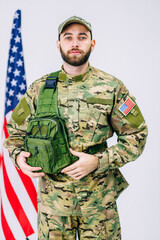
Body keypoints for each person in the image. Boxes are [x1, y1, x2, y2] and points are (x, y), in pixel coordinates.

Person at [4, 16, 148, 240]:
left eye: (82, 37)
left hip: (99, 205)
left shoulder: (111, 87)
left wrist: (98, 161)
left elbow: (136, 135)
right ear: (58, 43)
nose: (75, 43)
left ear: (92, 43)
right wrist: (18, 157)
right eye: (68, 37)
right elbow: (14, 134)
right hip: (54, 208)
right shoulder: (40, 88)